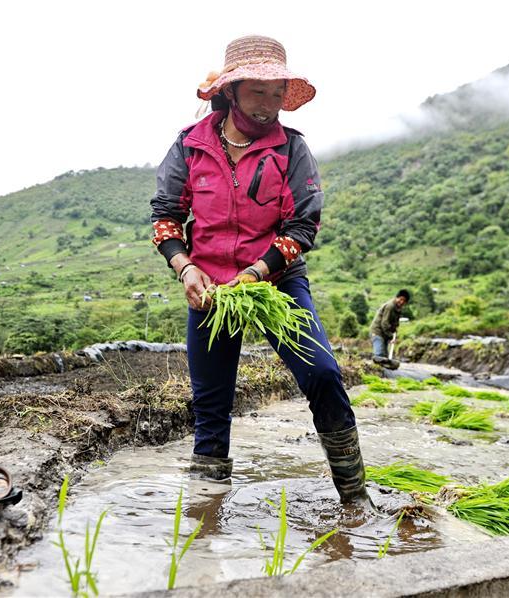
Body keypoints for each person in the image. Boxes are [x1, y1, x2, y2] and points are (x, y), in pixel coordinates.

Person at [150, 35, 372, 508]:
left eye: (277, 93)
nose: (270, 105)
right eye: (258, 92)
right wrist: (185, 267)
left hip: (276, 281)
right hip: (210, 288)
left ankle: (355, 501)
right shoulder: (190, 146)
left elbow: (302, 224)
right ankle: (206, 516)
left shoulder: (291, 150)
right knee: (211, 404)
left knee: (324, 375)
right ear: (231, 91)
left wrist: (256, 272)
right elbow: (166, 215)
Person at [370, 290, 410, 361]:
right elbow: (384, 323)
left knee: (385, 357)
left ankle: (382, 370)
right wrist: (391, 336)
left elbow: (395, 323)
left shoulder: (398, 309)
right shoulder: (390, 306)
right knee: (379, 354)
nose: (402, 302)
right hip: (377, 332)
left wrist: (394, 332)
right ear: (396, 298)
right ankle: (375, 369)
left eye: (404, 301)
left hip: (385, 334)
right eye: (401, 299)